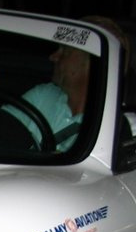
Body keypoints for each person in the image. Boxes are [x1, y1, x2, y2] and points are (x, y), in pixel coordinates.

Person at [7, 16, 126, 152]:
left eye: (65, 51)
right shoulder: (43, 96)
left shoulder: (122, 129)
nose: (53, 57)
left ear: (92, 65)